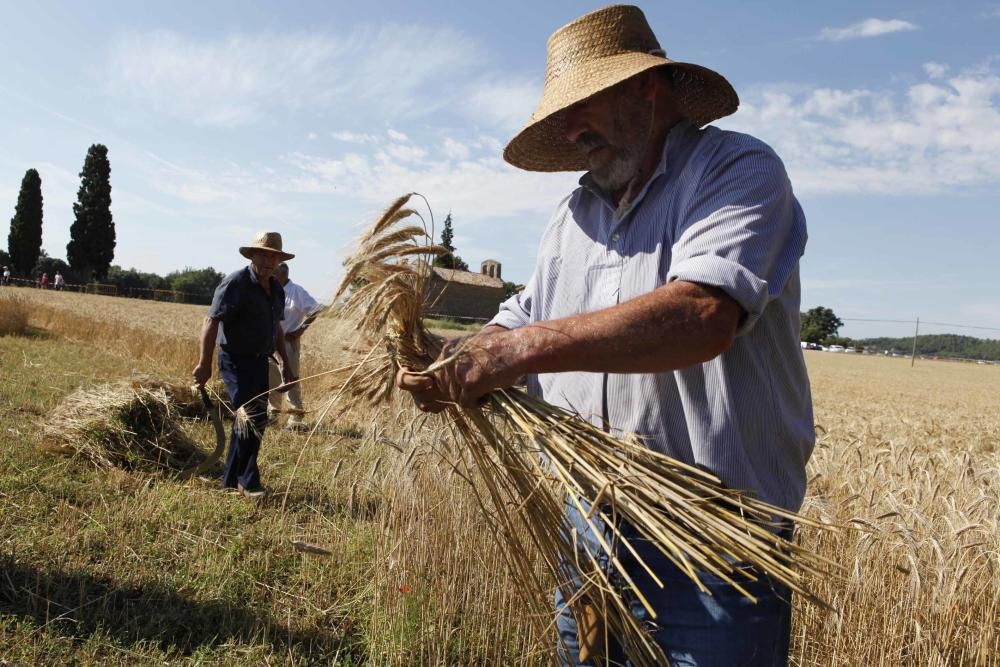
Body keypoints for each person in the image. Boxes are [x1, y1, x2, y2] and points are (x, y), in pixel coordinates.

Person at [396, 5, 813, 666]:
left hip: (716, 547)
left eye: (580, 105)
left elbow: (702, 314)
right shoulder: (574, 214)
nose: (568, 129)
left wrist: (517, 351)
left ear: (647, 87)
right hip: (591, 527)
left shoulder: (739, 174)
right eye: (561, 114)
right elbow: (524, 314)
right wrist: (455, 360)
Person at [192, 231, 297, 498]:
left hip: (260, 362)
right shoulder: (235, 284)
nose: (268, 261)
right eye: (263, 254)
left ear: (279, 261)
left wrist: (286, 363)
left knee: (250, 421)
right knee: (251, 416)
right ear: (252, 255)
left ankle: (229, 481)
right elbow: (211, 321)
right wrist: (204, 364)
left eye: (273, 256)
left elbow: (277, 331)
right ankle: (249, 481)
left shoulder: (275, 290)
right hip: (234, 361)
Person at [267, 262, 323, 431]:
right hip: (270, 343)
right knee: (272, 379)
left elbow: (316, 310)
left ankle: (296, 418)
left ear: (283, 274)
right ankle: (273, 413)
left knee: (291, 380)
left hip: (288, 342)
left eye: (275, 273)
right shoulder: (269, 289)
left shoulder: (297, 291)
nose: (271, 276)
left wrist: (299, 331)